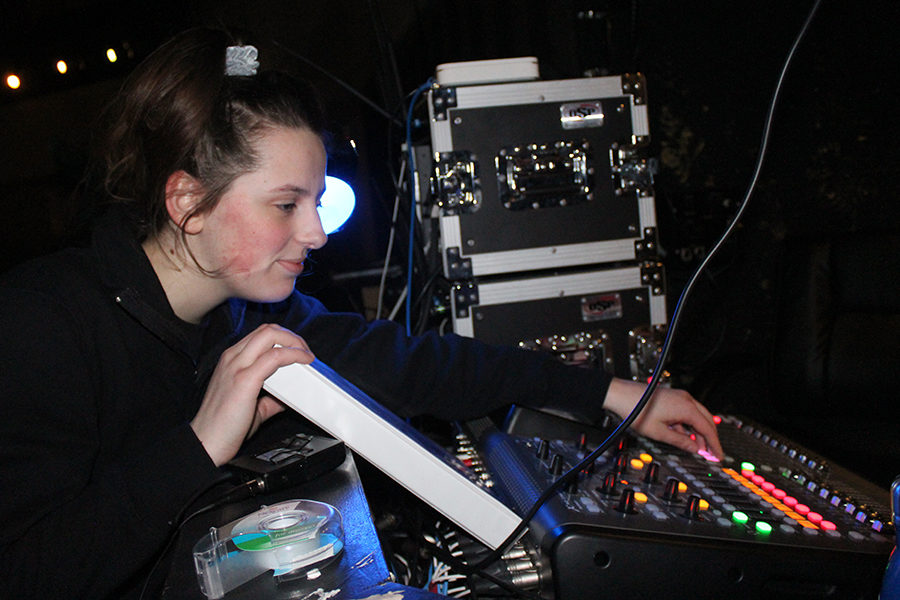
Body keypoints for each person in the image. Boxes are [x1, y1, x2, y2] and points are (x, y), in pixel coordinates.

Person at [0, 28, 722, 599]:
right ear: (188, 201)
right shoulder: (44, 324)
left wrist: (612, 394)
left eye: (316, 202)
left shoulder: (246, 316)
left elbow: (420, 364)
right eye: (287, 205)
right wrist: (196, 447)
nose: (315, 233)